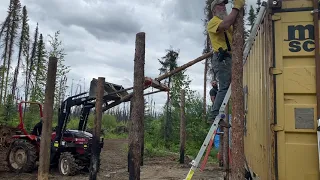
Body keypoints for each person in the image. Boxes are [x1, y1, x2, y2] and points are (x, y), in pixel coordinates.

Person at [207, 0, 245, 128]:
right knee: (224, 86)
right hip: (221, 58)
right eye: (220, 5)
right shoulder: (213, 22)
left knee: (229, 86)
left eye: (224, 5)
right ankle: (214, 116)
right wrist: (237, 8)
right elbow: (225, 24)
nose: (223, 7)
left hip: (229, 58)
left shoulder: (227, 21)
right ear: (214, 10)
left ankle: (217, 115)